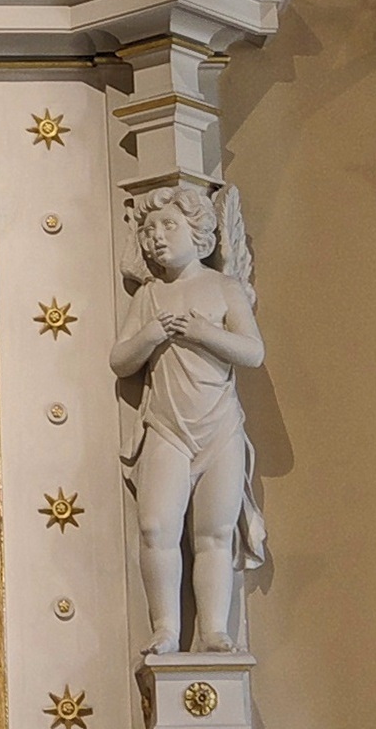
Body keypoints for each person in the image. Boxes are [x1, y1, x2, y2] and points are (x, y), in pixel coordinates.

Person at [108, 180, 267, 656]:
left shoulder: (223, 287)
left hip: (219, 427)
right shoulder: (150, 297)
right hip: (167, 427)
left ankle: (215, 631)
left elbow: (253, 351)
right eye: (149, 229)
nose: (156, 236)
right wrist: (152, 334)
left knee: (214, 532)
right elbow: (120, 361)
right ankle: (165, 629)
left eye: (168, 225)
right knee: (157, 527)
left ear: (197, 231)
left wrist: (201, 332)